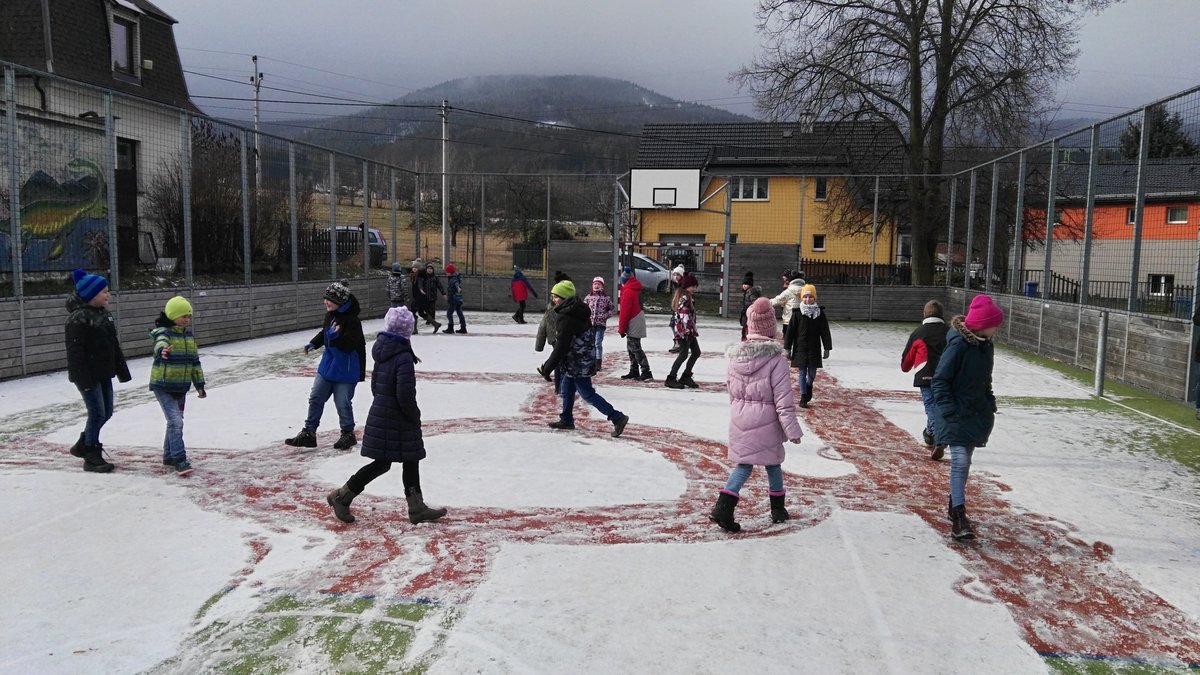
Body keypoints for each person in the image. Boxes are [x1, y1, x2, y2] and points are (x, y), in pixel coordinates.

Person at [326, 306, 446, 525]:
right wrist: (413, 415)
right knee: (388, 461)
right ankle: (342, 497)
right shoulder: (403, 356)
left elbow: (375, 386)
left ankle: (416, 507)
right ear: (406, 331)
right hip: (398, 415)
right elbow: (405, 394)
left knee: (405, 458)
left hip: (383, 411)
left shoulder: (383, 350)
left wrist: (384, 403)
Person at [710, 297, 804, 532]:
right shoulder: (776, 360)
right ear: (771, 328)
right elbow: (783, 400)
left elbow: (731, 391)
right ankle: (778, 509)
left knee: (743, 465)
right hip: (767, 421)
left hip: (740, 417)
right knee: (773, 464)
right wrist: (792, 431)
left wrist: (739, 411)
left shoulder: (735, 357)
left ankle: (723, 507)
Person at [931, 294, 1005, 541]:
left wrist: (989, 402)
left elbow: (985, 380)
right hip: (956, 413)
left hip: (976, 413)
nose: (997, 329)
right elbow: (940, 380)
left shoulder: (986, 346)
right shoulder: (958, 345)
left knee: (965, 462)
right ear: (983, 324)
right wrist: (949, 411)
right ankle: (959, 518)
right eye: (994, 324)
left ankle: (954, 504)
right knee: (960, 461)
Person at [536, 280, 629, 437]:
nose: (553, 299)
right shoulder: (578, 310)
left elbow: (561, 346)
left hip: (577, 362)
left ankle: (617, 417)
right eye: (552, 296)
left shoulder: (566, 316)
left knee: (587, 393)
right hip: (580, 358)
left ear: (564, 297)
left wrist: (547, 368)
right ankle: (566, 419)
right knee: (567, 388)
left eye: (556, 296)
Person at [285, 280, 366, 451]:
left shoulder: (353, 321)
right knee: (316, 397)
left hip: (346, 370)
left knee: (342, 402)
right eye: (325, 298)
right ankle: (309, 432)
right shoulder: (331, 315)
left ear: (340, 302)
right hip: (328, 366)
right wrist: (313, 343)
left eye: (329, 300)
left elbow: (349, 345)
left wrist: (336, 338)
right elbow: (324, 333)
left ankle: (348, 434)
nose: (325, 302)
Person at [64, 268, 131, 473]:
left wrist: (122, 371)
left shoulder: (105, 315)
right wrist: (83, 380)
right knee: (97, 413)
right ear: (91, 294)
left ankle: (83, 444)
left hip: (103, 373)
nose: (108, 295)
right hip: (87, 376)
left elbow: (113, 345)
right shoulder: (77, 319)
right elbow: (75, 353)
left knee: (106, 412)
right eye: (104, 292)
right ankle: (91, 453)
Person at [149, 295, 207, 476]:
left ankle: (168, 456)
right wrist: (162, 350)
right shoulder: (164, 332)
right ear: (173, 315)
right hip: (163, 385)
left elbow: (195, 362)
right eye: (183, 316)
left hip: (181, 387)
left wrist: (199, 384)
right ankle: (179, 458)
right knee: (176, 422)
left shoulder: (188, 336)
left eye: (189, 316)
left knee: (175, 421)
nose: (187, 319)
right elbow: (160, 342)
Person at [901, 300, 950, 460]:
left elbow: (907, 360)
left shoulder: (918, 333)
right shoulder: (949, 332)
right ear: (942, 314)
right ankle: (929, 434)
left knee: (930, 405)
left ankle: (938, 437)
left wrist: (906, 366)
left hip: (925, 374)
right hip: (946, 375)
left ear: (924, 314)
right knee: (938, 405)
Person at [785, 284, 832, 408]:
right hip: (800, 348)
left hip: (814, 348)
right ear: (802, 298)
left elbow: (825, 331)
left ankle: (809, 385)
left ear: (814, 298)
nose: (807, 299)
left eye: (810, 297)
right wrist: (787, 348)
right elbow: (790, 331)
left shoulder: (819, 313)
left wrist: (827, 347)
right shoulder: (797, 313)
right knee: (802, 372)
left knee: (811, 373)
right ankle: (803, 396)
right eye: (805, 297)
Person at [536, 271, 570, 394]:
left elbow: (543, 323)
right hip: (557, 336)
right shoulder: (558, 304)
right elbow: (544, 323)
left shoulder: (554, 300)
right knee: (560, 360)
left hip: (556, 336)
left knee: (559, 358)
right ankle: (559, 386)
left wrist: (540, 344)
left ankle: (548, 372)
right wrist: (539, 344)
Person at [665, 273, 701, 390]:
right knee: (683, 354)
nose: (694, 289)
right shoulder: (685, 299)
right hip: (684, 332)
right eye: (692, 286)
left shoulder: (687, 297)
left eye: (695, 286)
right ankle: (671, 378)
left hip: (688, 331)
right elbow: (684, 317)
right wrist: (686, 331)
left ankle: (686, 375)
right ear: (686, 287)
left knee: (696, 352)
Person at [617, 270, 653, 381]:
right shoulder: (634, 289)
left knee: (635, 348)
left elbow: (624, 312)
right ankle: (634, 370)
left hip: (633, 321)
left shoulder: (628, 291)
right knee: (631, 347)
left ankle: (646, 371)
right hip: (637, 319)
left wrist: (621, 329)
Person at [584, 276, 616, 371]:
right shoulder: (589, 297)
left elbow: (612, 309)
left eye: (598, 284)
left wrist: (604, 316)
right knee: (591, 343)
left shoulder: (606, 298)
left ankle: (598, 363)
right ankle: (591, 361)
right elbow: (583, 308)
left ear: (602, 286)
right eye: (595, 284)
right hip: (590, 324)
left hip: (600, 324)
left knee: (597, 343)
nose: (596, 286)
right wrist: (586, 317)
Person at [418, 262, 445, 330]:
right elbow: (420, 284)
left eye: (431, 269)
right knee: (427, 309)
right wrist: (421, 289)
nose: (429, 270)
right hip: (425, 296)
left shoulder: (435, 277)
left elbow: (439, 286)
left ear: (433, 270)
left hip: (433, 296)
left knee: (432, 309)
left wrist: (443, 293)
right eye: (428, 268)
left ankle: (433, 319)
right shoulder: (424, 277)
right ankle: (429, 320)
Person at [443, 264, 467, 334]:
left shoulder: (453, 279)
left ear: (450, 272)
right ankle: (463, 328)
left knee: (449, 313)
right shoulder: (455, 277)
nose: (446, 273)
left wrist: (458, 288)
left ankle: (450, 328)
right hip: (458, 299)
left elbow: (456, 284)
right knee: (459, 313)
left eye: (447, 272)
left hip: (454, 299)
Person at [738, 271, 763, 341]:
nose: (744, 286)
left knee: (747, 329)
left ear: (750, 285)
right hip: (746, 314)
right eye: (743, 284)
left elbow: (755, 302)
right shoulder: (746, 292)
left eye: (746, 284)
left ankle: (746, 340)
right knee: (745, 328)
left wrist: (750, 309)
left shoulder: (750, 292)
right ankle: (745, 340)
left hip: (749, 314)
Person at [668, 265, 685, 353]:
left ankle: (680, 343)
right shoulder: (675, 285)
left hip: (680, 309)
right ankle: (678, 342)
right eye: (674, 274)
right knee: (673, 325)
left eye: (678, 274)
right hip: (675, 308)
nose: (676, 276)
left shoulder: (683, 285)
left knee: (678, 325)